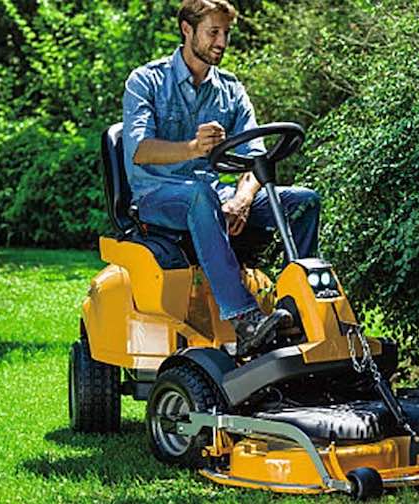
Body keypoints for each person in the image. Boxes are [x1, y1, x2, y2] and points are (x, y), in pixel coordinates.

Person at [122, 0, 320, 357]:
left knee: (303, 201)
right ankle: (244, 319)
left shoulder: (230, 89)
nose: (222, 42)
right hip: (157, 196)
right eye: (213, 32)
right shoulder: (146, 81)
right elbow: (139, 150)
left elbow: (255, 155)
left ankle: (301, 309)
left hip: (214, 194)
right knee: (201, 194)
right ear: (187, 30)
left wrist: (242, 200)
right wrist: (194, 147)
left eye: (226, 33)